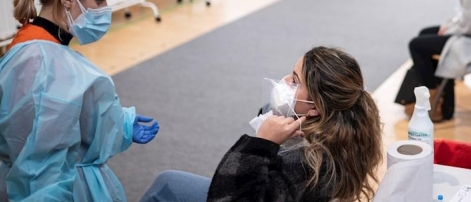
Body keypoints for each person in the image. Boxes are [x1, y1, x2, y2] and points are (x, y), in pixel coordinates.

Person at [0, 0, 160, 201]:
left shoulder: (41, 47)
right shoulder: (40, 63)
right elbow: (41, 164)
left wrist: (121, 124)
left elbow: (68, 120)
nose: (105, 7)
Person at [141, 46, 383, 202]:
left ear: (315, 108)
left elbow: (228, 197)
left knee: (167, 185)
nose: (285, 81)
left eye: (295, 81)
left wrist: (261, 144)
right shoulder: (342, 125)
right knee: (170, 181)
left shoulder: (305, 159)